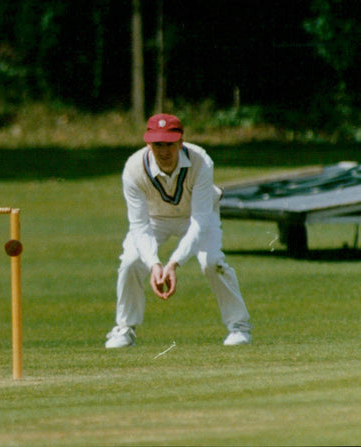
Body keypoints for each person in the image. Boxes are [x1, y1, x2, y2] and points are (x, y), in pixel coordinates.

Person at [105, 114, 252, 348]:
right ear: (148, 144)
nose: (164, 151)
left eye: (170, 144)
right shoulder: (133, 169)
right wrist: (154, 264)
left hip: (196, 217)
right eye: (157, 145)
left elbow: (200, 220)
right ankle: (124, 329)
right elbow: (139, 225)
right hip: (155, 219)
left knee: (211, 262)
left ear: (180, 142)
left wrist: (173, 263)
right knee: (131, 261)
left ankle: (239, 327)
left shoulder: (201, 161)